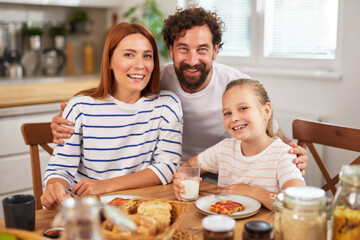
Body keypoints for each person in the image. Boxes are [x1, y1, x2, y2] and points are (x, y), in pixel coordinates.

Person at [50, 7, 308, 178]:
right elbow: (113, 102)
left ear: (216, 51)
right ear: (170, 50)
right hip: (178, 174)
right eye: (183, 49)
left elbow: (268, 130)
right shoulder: (153, 79)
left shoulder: (237, 84)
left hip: (229, 174)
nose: (192, 60)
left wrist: (290, 152)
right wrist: (66, 120)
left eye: (202, 49)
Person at [40, 22, 183, 210]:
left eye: (147, 56)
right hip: (86, 209)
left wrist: (105, 185)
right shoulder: (80, 106)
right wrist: (55, 187)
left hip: (139, 206)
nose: (140, 65)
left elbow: (167, 166)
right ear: (109, 61)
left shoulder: (167, 105)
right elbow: (61, 168)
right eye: (129, 55)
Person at [173, 79, 305, 210]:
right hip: (226, 224)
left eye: (243, 108)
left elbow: (295, 202)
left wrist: (250, 192)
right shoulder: (224, 149)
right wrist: (181, 179)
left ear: (266, 111)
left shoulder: (284, 155)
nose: (234, 118)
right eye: (227, 113)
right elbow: (189, 166)